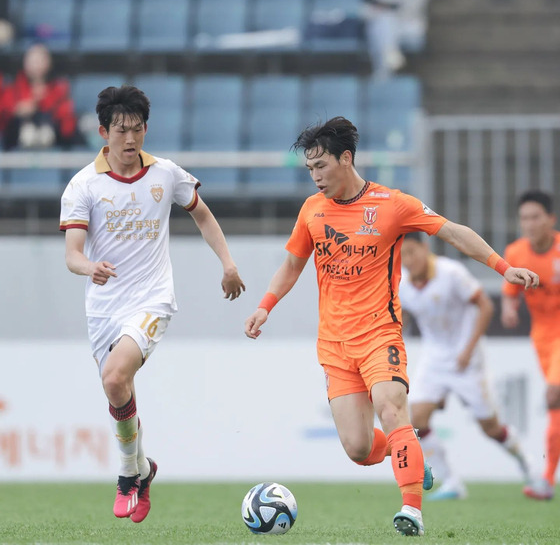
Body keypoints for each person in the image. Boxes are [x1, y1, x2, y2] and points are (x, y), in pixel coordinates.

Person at [244, 116, 538, 537]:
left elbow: (453, 232)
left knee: (392, 409)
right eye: (309, 169)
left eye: (321, 166)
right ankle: (412, 457)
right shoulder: (312, 210)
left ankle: (412, 509)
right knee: (358, 449)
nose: (315, 177)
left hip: (380, 334)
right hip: (334, 344)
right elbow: (292, 264)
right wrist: (265, 306)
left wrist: (503, 267)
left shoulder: (392, 204)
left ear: (345, 158)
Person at [60, 85, 245, 522]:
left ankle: (127, 474)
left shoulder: (166, 174)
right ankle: (144, 468)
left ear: (146, 129)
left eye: (138, 129)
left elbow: (201, 212)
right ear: (104, 132)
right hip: (104, 307)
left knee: (114, 375)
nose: (130, 139)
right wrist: (90, 268)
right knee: (116, 387)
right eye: (121, 130)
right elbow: (71, 255)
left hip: (152, 298)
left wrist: (228, 263)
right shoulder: (83, 185)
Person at [400, 232, 533, 501]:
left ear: (425, 248)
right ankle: (451, 482)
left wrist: (467, 350)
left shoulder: (451, 273)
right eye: (402, 256)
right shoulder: (402, 283)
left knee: (491, 428)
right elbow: (399, 316)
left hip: (467, 360)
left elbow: (485, 306)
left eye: (412, 252)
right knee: (417, 418)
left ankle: (527, 463)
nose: (408, 260)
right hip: (435, 358)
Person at [502, 190, 560, 501]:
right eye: (524, 218)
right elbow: (510, 294)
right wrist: (509, 309)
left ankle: (546, 478)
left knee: (553, 394)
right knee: (557, 406)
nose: (530, 223)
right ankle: (547, 480)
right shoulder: (516, 252)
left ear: (550, 220)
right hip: (543, 338)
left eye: (536, 217)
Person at [1, 43, 81, 150]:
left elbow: (67, 124)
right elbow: (4, 114)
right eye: (33, 61)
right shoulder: (13, 89)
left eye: (41, 60)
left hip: (54, 137)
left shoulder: (59, 88)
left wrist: (43, 104)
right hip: (18, 137)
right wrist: (17, 111)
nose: (37, 65)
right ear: (25, 63)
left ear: (49, 63)